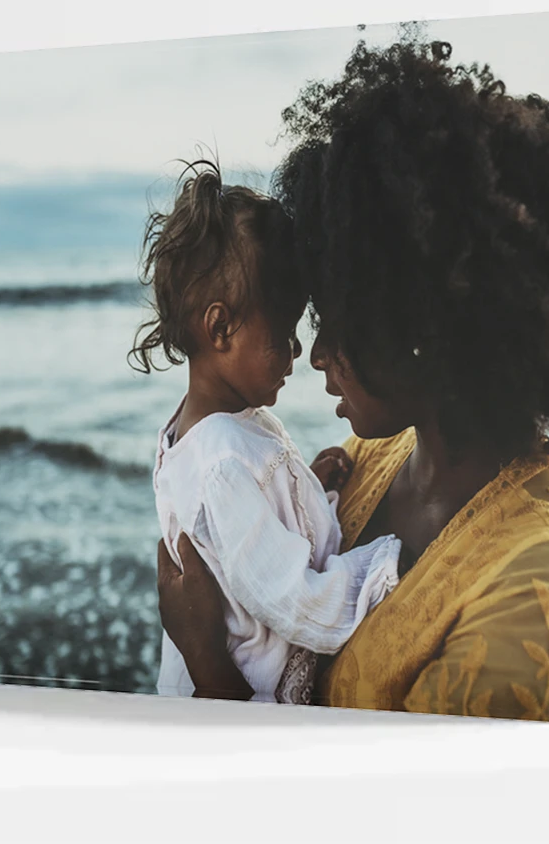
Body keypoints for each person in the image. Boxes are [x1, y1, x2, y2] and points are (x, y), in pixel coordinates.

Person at [157, 39, 549, 720]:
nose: (314, 353)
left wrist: (203, 654)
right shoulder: (377, 454)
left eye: (338, 318)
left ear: (419, 324)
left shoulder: (526, 599)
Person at [130, 160, 404, 705]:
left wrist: (305, 489)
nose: (299, 351)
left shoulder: (199, 433)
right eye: (282, 333)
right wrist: (383, 566)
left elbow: (252, 539)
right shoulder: (223, 466)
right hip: (247, 694)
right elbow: (292, 599)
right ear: (220, 327)